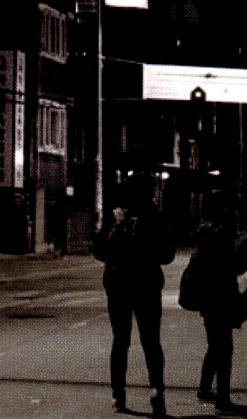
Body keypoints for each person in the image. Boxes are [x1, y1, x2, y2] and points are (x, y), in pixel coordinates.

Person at [93, 172, 176, 416]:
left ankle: (118, 395)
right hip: (147, 284)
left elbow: (99, 251)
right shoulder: (157, 218)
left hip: (118, 284)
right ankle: (156, 389)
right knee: (151, 341)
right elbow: (167, 255)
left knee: (120, 341)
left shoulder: (117, 217)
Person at [191, 194, 247, 415]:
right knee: (223, 348)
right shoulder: (221, 235)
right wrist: (244, 254)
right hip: (221, 297)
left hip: (208, 298)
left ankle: (205, 388)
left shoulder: (206, 233)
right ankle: (222, 400)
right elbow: (231, 266)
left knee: (215, 345)